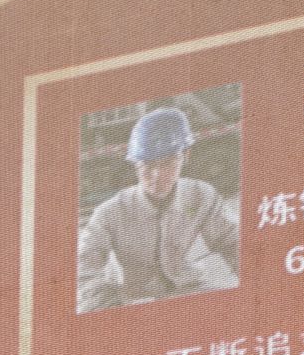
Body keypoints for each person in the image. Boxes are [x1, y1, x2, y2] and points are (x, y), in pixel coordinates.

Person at [79, 102, 239, 310]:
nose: (157, 176)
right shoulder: (109, 213)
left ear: (186, 156)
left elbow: (233, 242)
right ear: (135, 164)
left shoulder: (201, 196)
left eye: (168, 163)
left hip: (188, 288)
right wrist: (107, 306)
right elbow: (85, 271)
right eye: (147, 165)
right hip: (129, 300)